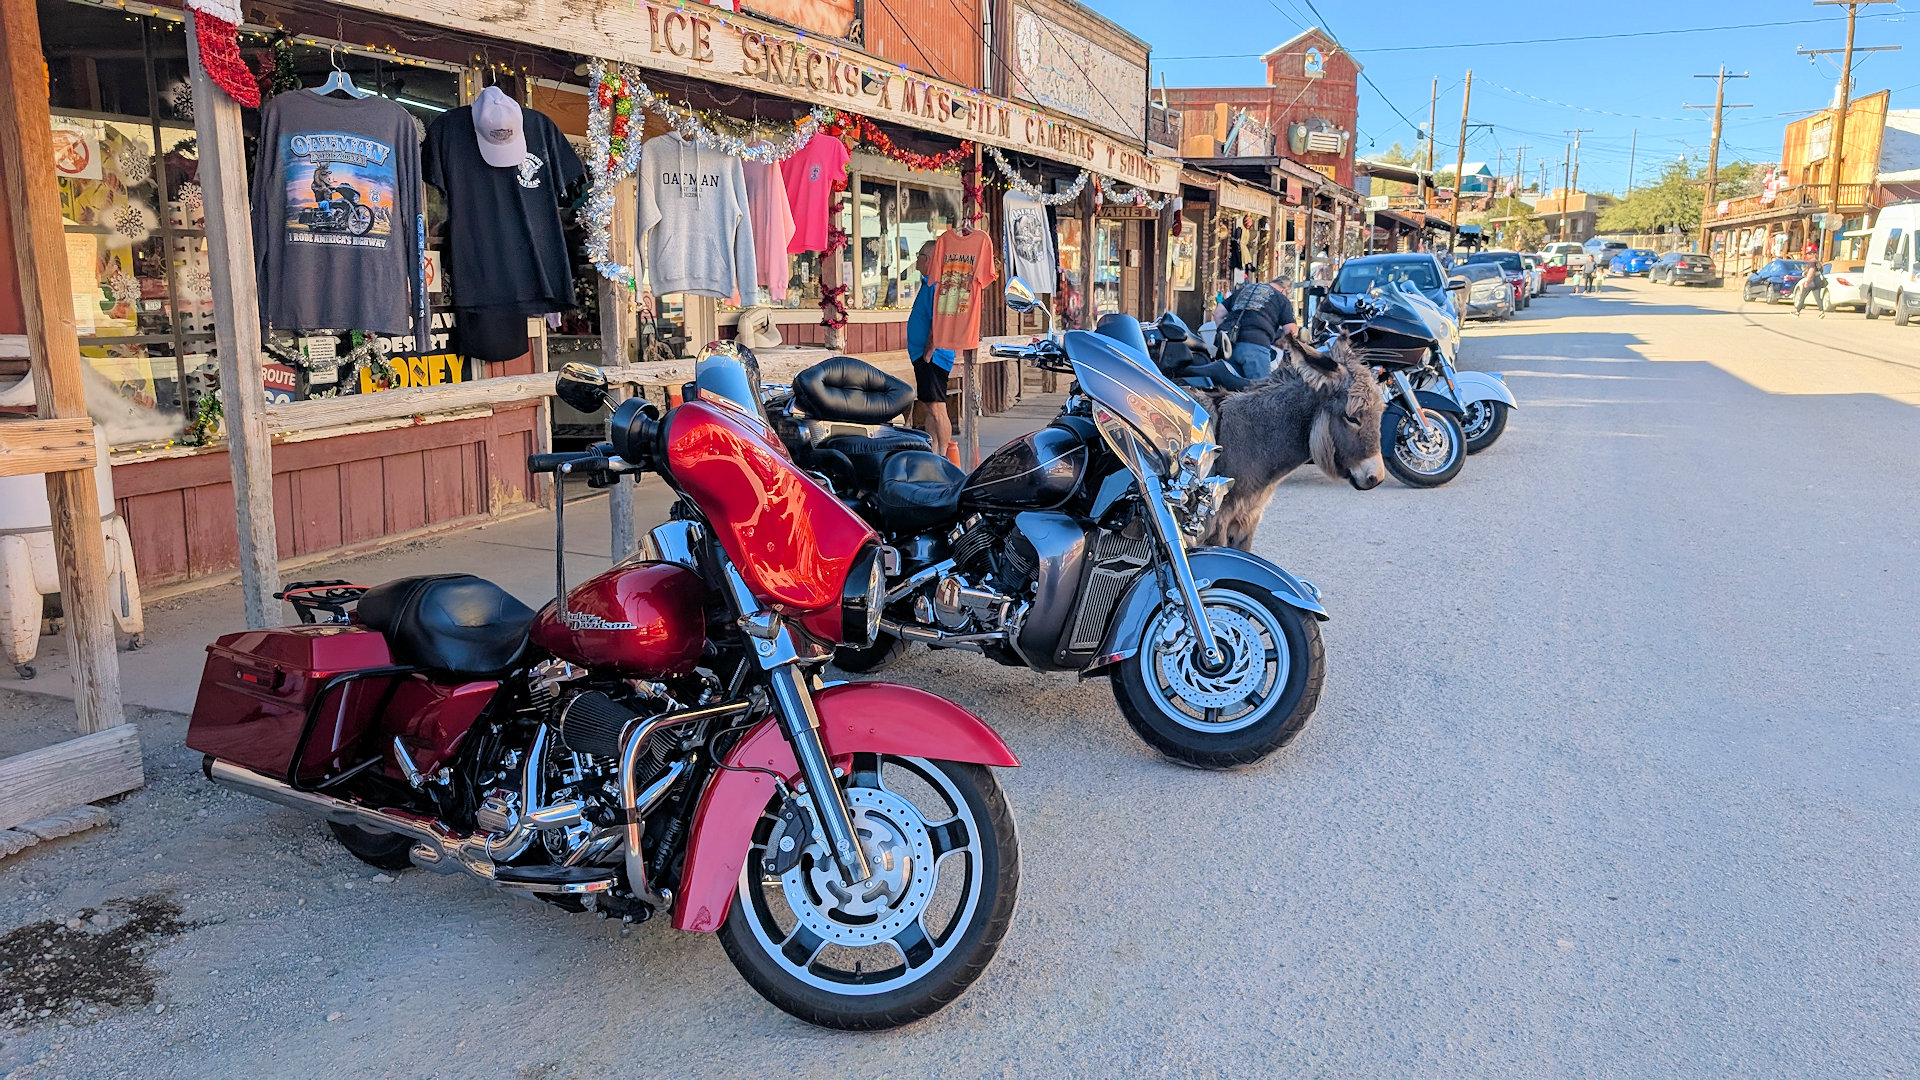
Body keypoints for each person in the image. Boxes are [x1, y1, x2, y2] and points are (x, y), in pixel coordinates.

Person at [905, 240, 957, 462]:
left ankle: (944, 455)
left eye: (919, 255)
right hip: (924, 355)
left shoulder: (937, 285)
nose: (916, 259)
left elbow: (940, 320)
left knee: (937, 407)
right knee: (928, 406)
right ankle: (933, 452)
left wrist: (929, 350)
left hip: (933, 356)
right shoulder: (928, 283)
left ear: (928, 258)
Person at [1216, 275, 1299, 381]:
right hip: (1256, 347)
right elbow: (1291, 330)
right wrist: (1282, 343)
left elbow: (1218, 313)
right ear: (1285, 290)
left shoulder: (1246, 289)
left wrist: (1224, 334)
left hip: (1229, 346)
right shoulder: (1280, 298)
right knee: (1260, 390)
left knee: (1231, 392)